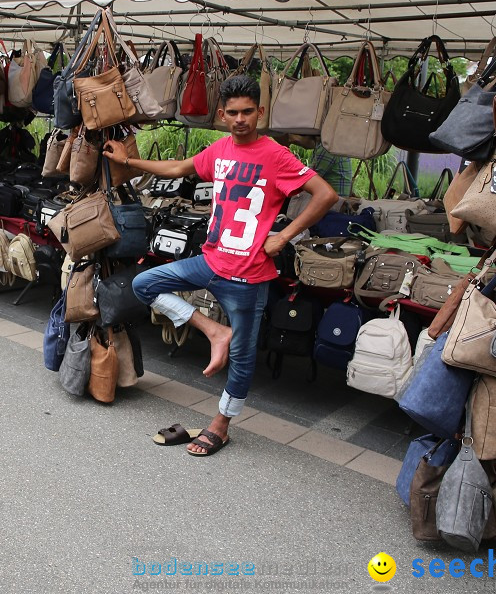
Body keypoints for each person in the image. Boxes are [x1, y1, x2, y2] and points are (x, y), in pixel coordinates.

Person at [102, 75, 338, 456]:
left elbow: (326, 194)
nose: (240, 119)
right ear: (222, 115)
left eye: (248, 112)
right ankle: (213, 331)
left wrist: (285, 236)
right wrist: (127, 161)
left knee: (243, 359)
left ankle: (221, 424)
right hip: (210, 261)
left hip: (248, 276)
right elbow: (179, 168)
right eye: (233, 113)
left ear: (260, 112)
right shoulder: (220, 150)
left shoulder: (275, 154)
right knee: (145, 284)